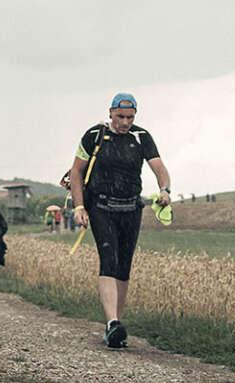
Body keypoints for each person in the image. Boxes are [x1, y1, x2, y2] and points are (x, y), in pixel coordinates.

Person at [69, 93, 171, 348]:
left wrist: (164, 190)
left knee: (124, 266)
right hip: (101, 206)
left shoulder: (141, 137)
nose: (125, 122)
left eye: (130, 117)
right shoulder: (94, 135)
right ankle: (112, 322)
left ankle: (116, 326)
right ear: (111, 112)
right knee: (109, 260)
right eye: (120, 116)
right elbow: (76, 172)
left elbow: (159, 168)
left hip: (131, 208)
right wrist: (79, 206)